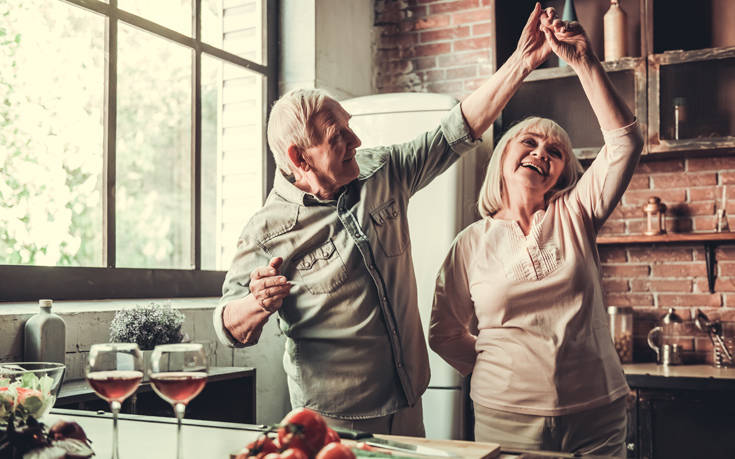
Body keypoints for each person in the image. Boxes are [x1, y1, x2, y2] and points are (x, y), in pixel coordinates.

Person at [213, 3, 557, 436]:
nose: (357, 140)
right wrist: (256, 303)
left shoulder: (382, 171)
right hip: (333, 421)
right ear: (299, 158)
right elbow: (228, 327)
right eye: (339, 137)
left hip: (410, 401)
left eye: (349, 127)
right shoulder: (265, 231)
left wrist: (521, 62)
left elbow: (457, 128)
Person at [428, 13, 643, 458]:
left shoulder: (576, 212)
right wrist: (500, 370)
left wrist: (583, 61)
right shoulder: (470, 242)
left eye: (556, 152)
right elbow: (445, 333)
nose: (541, 153)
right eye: (529, 142)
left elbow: (624, 142)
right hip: (503, 416)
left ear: (563, 171)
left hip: (596, 412)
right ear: (503, 156)